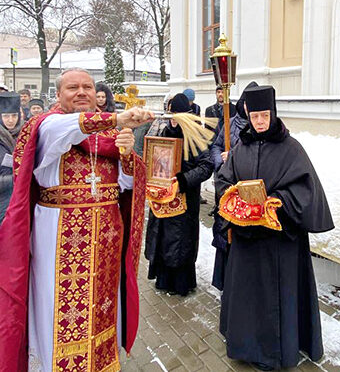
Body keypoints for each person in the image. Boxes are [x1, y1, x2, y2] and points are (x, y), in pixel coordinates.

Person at [0, 67, 153, 371]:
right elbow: (67, 130)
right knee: (55, 312)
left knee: (104, 310)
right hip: (58, 246)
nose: (82, 92)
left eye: (87, 87)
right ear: (58, 95)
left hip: (106, 247)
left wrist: (125, 156)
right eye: (73, 88)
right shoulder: (45, 126)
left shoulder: (109, 135)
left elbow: (126, 186)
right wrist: (118, 118)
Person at [216, 85, 334, 371]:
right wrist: (233, 198)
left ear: (273, 113)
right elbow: (222, 182)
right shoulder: (240, 147)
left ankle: (274, 354)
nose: (259, 121)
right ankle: (245, 346)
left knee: (274, 300)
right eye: (255, 116)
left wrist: (273, 202)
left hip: (278, 243)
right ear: (248, 114)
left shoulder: (292, 149)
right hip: (246, 240)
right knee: (247, 298)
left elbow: (306, 191)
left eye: (264, 115)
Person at [145, 93, 214, 296]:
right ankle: (163, 279)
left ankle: (181, 284)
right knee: (163, 237)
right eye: (171, 115)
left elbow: (207, 166)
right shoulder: (164, 132)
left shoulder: (196, 136)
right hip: (163, 196)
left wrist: (183, 180)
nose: (173, 120)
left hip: (184, 197)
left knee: (180, 241)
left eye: (177, 115)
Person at [209, 81, 258, 290]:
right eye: (246, 103)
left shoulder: (260, 125)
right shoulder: (231, 123)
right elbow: (216, 146)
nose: (249, 108)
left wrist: (237, 157)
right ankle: (225, 284)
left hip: (248, 191)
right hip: (228, 186)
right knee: (225, 235)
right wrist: (222, 160)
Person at [0, 92, 23, 225]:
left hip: (19, 198)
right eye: (6, 116)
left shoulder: (24, 133)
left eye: (14, 116)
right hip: (3, 199)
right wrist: (16, 178)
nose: (10, 120)